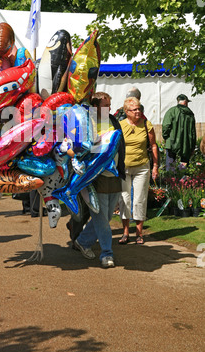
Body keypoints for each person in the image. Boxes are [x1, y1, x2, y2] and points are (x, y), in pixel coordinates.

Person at [73, 92, 126, 268]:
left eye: (109, 105)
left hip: (114, 174)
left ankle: (82, 241)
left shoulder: (112, 120)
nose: (109, 108)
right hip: (96, 177)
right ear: (95, 106)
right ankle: (106, 254)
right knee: (101, 218)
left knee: (107, 215)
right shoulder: (89, 123)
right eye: (105, 105)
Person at [118, 97, 158, 245]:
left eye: (139, 109)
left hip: (142, 167)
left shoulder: (147, 124)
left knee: (140, 199)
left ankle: (139, 233)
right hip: (124, 168)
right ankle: (125, 232)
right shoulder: (120, 125)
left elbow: (153, 145)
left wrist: (155, 166)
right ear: (126, 111)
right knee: (124, 199)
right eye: (134, 109)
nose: (138, 112)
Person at [162, 94, 196, 171]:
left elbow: (166, 126)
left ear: (178, 102)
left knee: (170, 167)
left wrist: (166, 137)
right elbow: (193, 132)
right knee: (183, 167)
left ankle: (170, 181)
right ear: (186, 102)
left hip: (171, 143)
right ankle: (182, 181)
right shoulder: (190, 114)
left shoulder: (171, 111)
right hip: (186, 145)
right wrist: (193, 146)